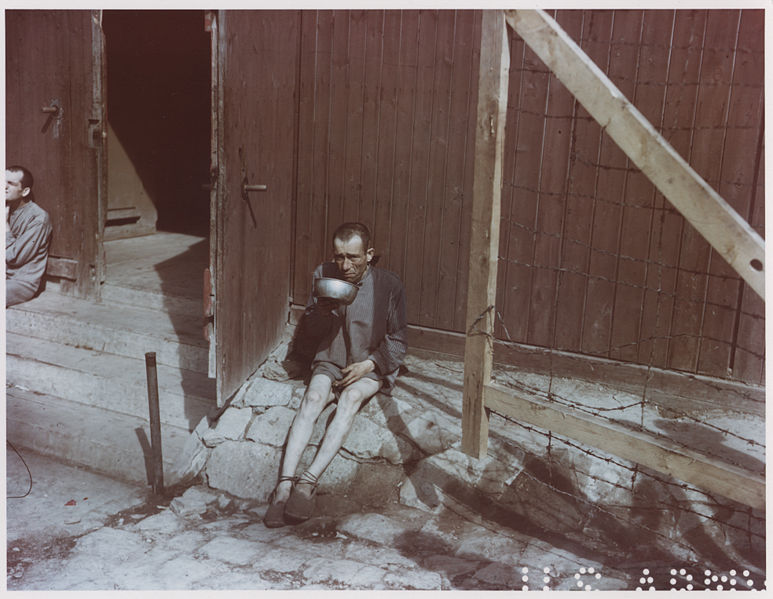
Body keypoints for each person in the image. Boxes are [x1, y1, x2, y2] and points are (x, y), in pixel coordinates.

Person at [264, 222, 407, 528]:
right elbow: (310, 333)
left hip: (367, 363)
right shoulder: (324, 275)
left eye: (353, 257)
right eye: (339, 256)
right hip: (331, 357)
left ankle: (307, 484)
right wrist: (321, 312)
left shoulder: (389, 285)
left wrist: (370, 365)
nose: (345, 265)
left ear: (369, 254)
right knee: (312, 398)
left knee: (351, 398)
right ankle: (283, 487)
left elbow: (398, 340)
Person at [6, 166, 52, 307]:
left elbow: (14, 257)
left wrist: (4, 226)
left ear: (25, 191)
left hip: (20, 281)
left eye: (11, 184)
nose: (4, 187)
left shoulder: (38, 218)